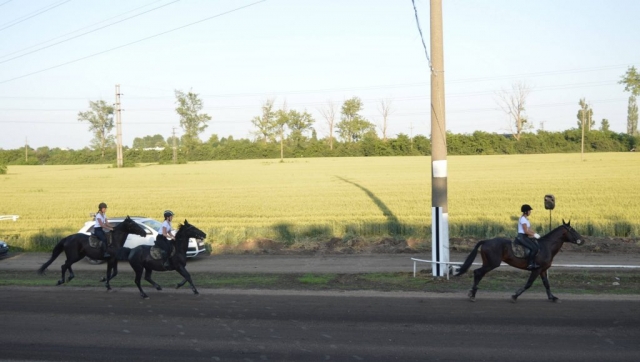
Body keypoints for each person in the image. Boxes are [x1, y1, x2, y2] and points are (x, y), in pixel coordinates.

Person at [517, 204, 541, 270]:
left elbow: (529, 230)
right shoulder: (523, 219)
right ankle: (530, 264)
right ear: (525, 211)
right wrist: (534, 235)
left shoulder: (526, 219)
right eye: (529, 211)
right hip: (522, 237)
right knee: (534, 248)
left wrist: (535, 233)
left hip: (525, 236)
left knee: (536, 246)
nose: (530, 212)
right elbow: (525, 231)